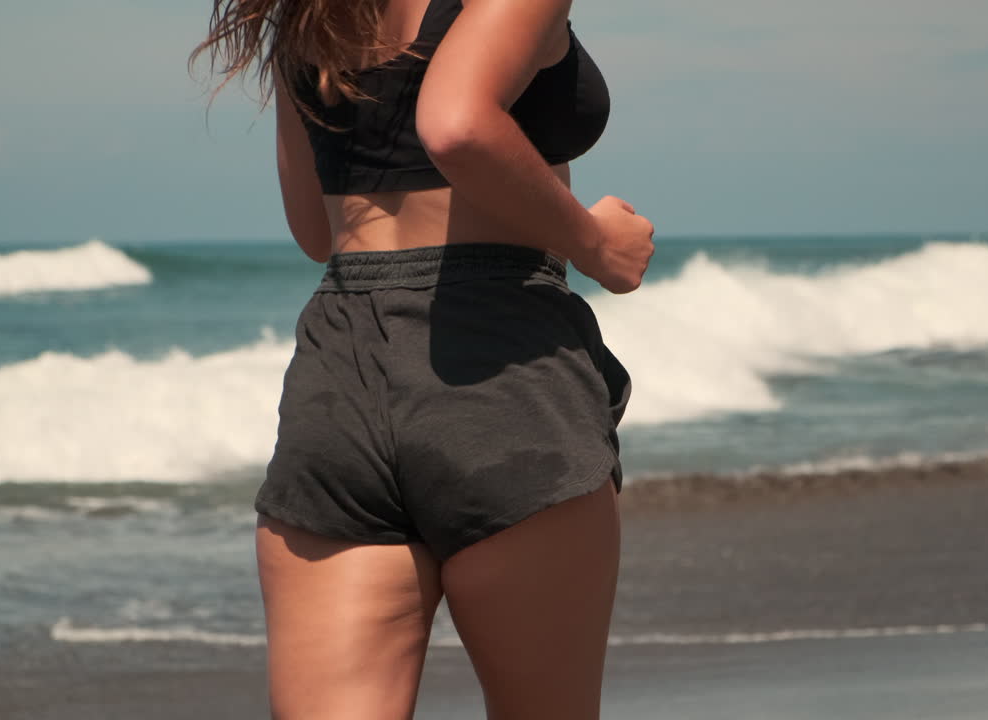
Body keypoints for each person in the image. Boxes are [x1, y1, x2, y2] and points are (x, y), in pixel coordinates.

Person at [191, 0, 654, 716]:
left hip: (339, 370)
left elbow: (316, 226)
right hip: (498, 360)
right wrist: (597, 244)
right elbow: (457, 124)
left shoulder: (307, 12)